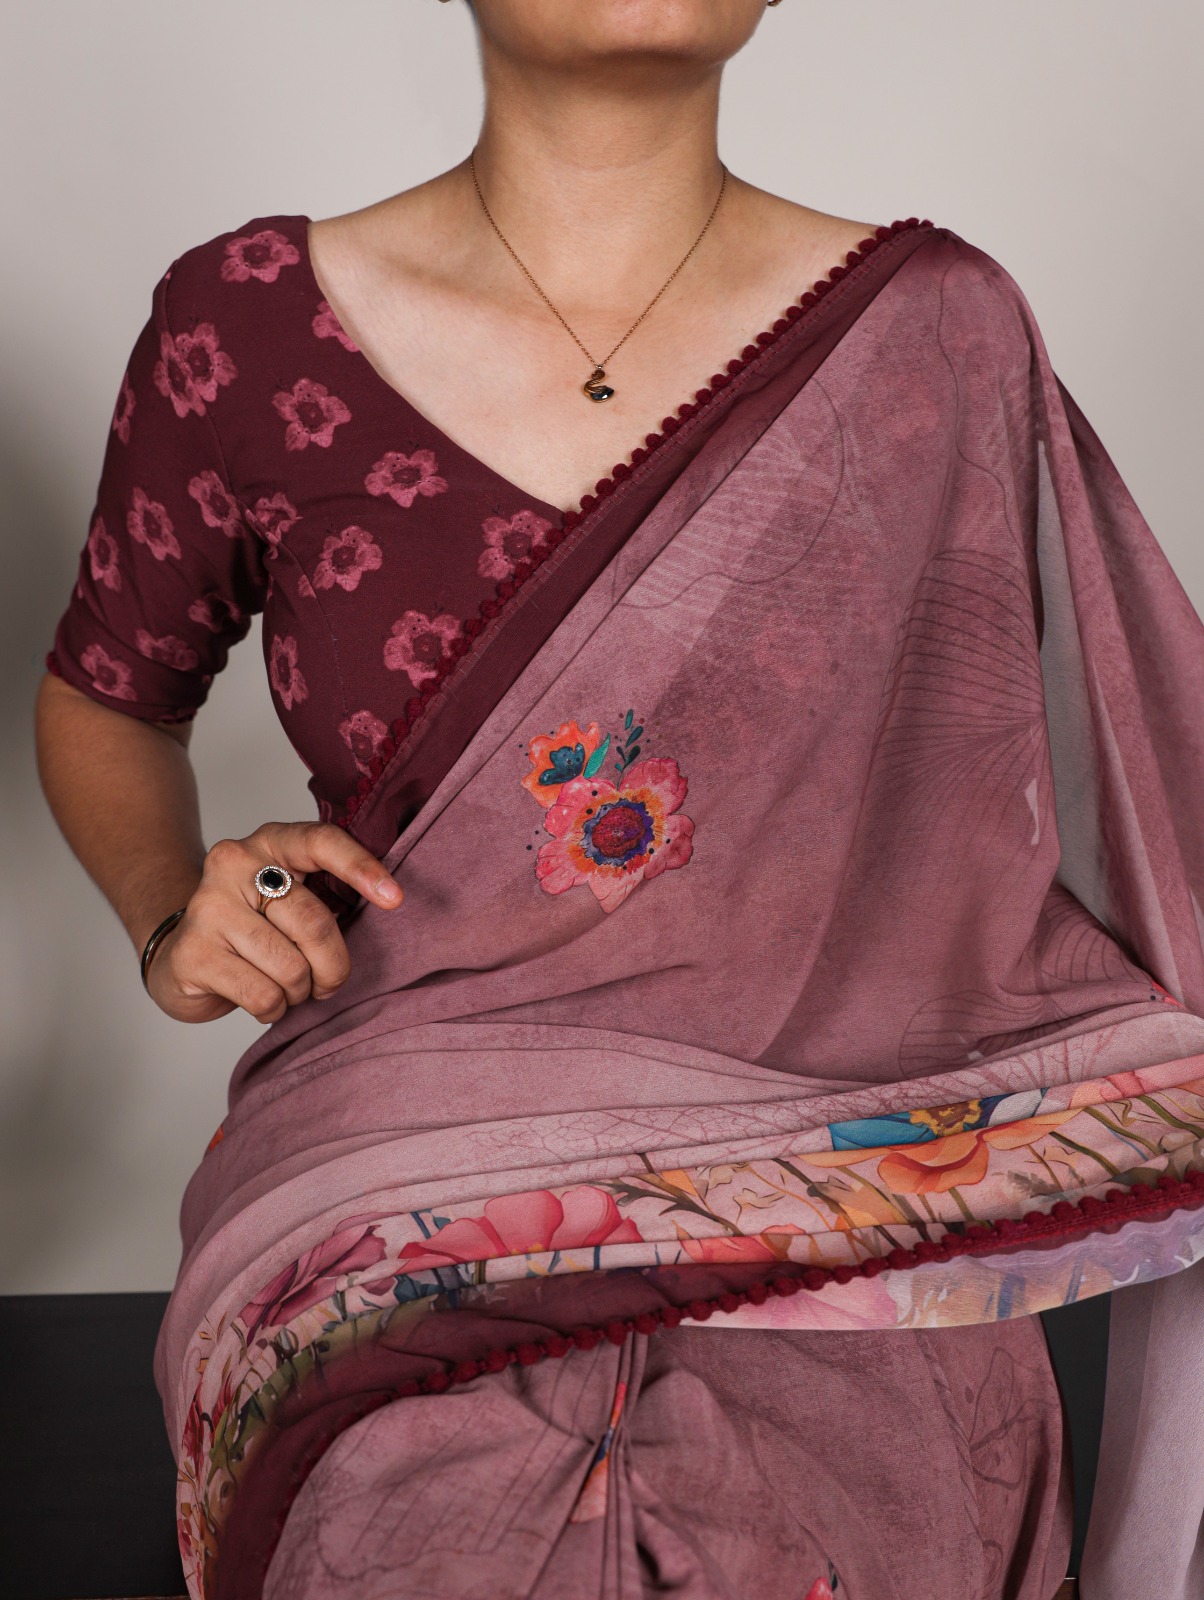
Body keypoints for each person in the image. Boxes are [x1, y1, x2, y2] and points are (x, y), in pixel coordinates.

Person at [34, 3, 1204, 1598]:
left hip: (850, 1168)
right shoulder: (243, 326)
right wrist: (175, 913)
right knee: (408, 1529)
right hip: (402, 1162)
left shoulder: (934, 337)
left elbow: (1093, 775)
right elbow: (109, 694)